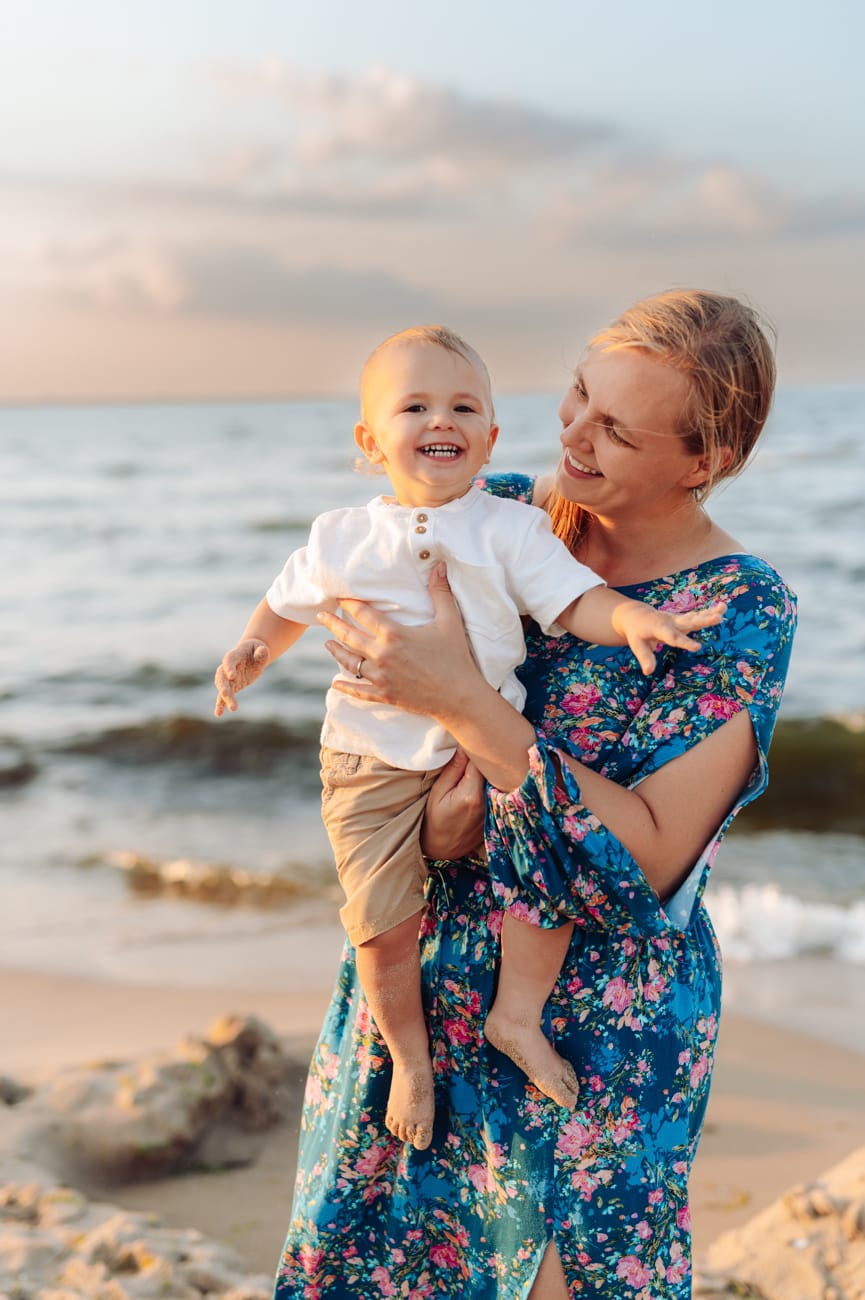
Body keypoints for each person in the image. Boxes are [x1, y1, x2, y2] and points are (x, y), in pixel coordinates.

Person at [273, 289, 797, 1300]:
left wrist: (470, 707)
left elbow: (647, 853)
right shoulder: (492, 510)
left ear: (705, 460)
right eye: (576, 396)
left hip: (590, 1023)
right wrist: (429, 820)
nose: (575, 436)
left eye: (617, 429)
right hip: (419, 983)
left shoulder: (734, 608)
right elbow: (372, 722)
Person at [213, 324, 725, 1154]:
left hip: (481, 756)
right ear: (368, 441)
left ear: (489, 437)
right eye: (412, 405)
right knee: (378, 926)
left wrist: (631, 617)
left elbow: (571, 598)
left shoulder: (510, 526)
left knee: (546, 875)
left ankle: (515, 1017)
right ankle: (408, 1059)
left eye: (462, 406)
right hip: (366, 759)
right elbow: (286, 605)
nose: (438, 419)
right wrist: (249, 652)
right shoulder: (340, 534)